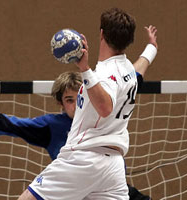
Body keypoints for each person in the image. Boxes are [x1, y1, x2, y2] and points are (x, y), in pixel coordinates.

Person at [0, 23, 158, 200]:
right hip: (73, 182)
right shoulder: (53, 126)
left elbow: (134, 73)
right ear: (61, 103)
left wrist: (151, 48)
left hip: (106, 171)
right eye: (69, 100)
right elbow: (3, 122)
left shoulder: (102, 92)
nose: (75, 104)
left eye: (79, 96)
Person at [21, 7, 158, 200]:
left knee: (27, 198)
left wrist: (84, 68)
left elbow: (105, 107)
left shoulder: (102, 75)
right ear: (129, 40)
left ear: (101, 33)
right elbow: (141, 65)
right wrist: (151, 48)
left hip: (85, 158)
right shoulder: (127, 71)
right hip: (113, 166)